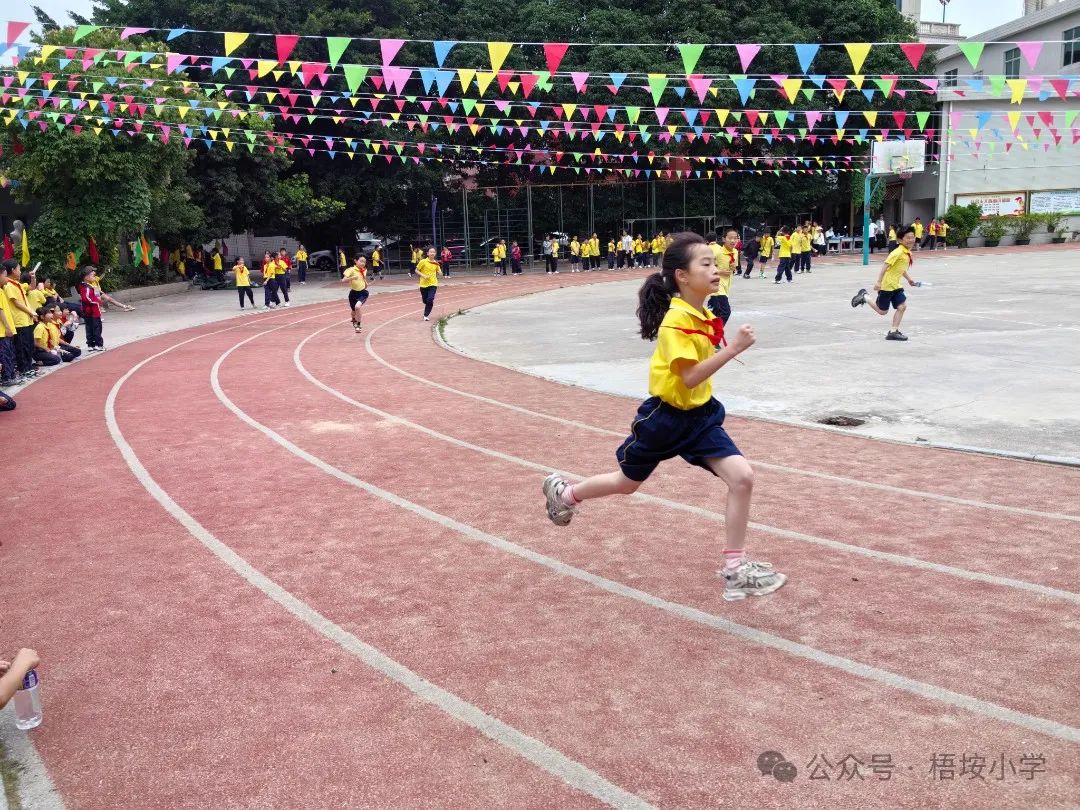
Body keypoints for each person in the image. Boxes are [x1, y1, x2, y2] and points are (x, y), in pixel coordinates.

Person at [541, 232, 786, 602]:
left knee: (742, 477)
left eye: (714, 262)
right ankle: (567, 494)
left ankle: (735, 570)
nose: (716, 269)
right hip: (665, 418)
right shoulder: (676, 322)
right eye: (705, 263)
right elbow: (688, 376)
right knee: (627, 483)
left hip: (700, 417)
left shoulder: (702, 312)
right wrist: (733, 348)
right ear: (682, 276)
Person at [850, 225, 919, 342]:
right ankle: (864, 296)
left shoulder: (907, 252)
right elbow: (886, 265)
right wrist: (878, 282)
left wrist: (909, 279)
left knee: (902, 306)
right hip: (887, 285)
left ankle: (893, 332)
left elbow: (900, 268)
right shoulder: (897, 252)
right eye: (908, 238)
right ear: (900, 240)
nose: (911, 240)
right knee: (882, 311)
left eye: (912, 237)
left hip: (896, 285)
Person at [3, 261, 36, 377]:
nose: (20, 271)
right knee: (22, 347)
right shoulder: (9, 285)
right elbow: (16, 303)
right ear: (12, 270)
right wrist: (31, 311)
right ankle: (24, 369)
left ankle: (29, 367)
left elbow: (32, 287)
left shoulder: (18, 284)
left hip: (26, 319)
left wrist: (33, 277)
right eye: (18, 269)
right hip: (19, 321)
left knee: (29, 345)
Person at [707, 229, 738, 324]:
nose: (733, 240)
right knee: (725, 312)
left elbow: (733, 269)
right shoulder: (718, 252)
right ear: (724, 239)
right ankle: (714, 334)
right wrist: (720, 272)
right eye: (730, 238)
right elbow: (706, 267)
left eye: (735, 238)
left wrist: (733, 268)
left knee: (716, 315)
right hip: (717, 286)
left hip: (726, 286)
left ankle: (710, 334)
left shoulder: (735, 252)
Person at [0, 262, 21, 385]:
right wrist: (7, 327)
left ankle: (11, 375)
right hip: (3, 331)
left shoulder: (1, 290)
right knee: (5, 355)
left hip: (7, 330)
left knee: (10, 353)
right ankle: (6, 378)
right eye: (4, 275)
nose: (7, 278)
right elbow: (0, 310)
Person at [78, 266, 105, 352]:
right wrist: (97, 302)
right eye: (92, 275)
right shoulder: (86, 287)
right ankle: (98, 344)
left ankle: (91, 344)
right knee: (96, 328)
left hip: (91, 311)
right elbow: (86, 298)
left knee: (90, 327)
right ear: (86, 277)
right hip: (92, 311)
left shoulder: (89, 286)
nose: (94, 276)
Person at [342, 255, 369, 333]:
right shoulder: (350, 270)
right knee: (353, 311)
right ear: (355, 261)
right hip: (353, 294)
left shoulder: (364, 270)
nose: (363, 263)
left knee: (357, 307)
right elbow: (343, 280)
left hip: (363, 293)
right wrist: (352, 278)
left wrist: (366, 284)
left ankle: (358, 325)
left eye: (364, 261)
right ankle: (353, 318)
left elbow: (363, 278)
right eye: (361, 261)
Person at [416, 247, 442, 321]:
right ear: (427, 253)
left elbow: (439, 272)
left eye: (434, 252)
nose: (432, 253)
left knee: (430, 299)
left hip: (433, 284)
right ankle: (427, 303)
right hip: (423, 284)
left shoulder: (436, 263)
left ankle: (426, 315)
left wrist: (440, 273)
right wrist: (423, 275)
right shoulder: (423, 261)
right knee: (425, 300)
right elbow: (416, 270)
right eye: (431, 252)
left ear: (435, 254)